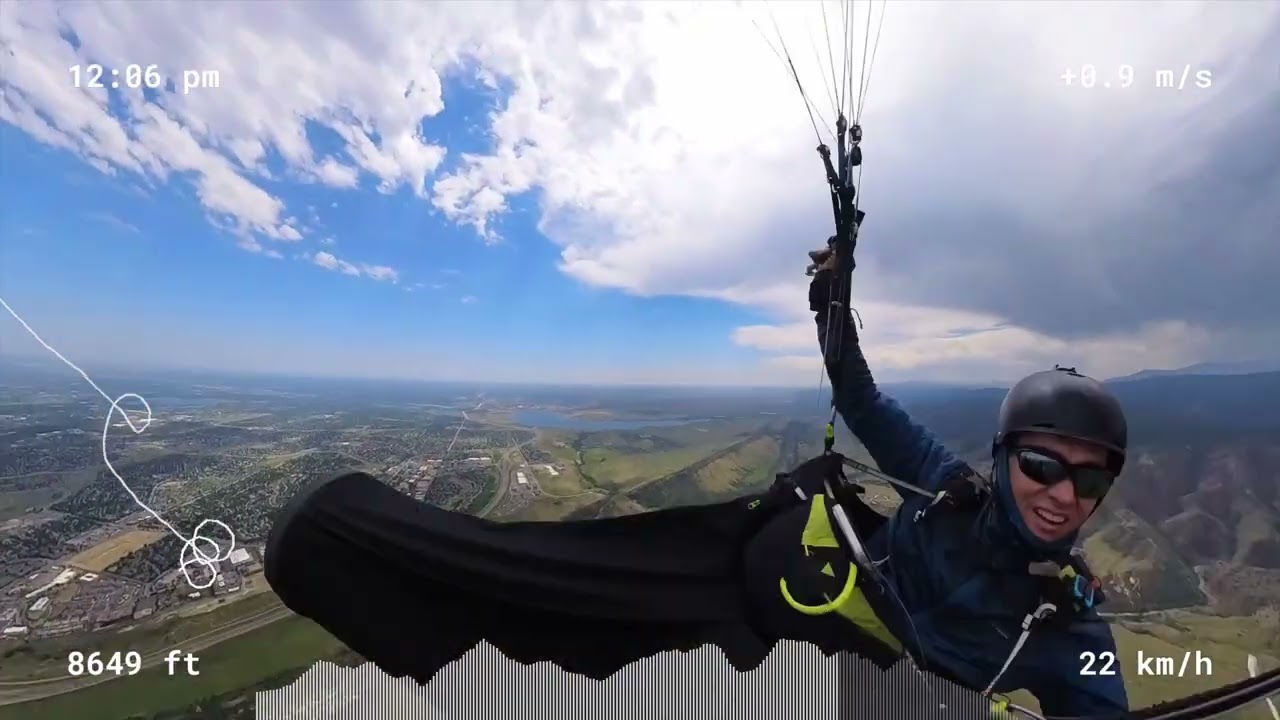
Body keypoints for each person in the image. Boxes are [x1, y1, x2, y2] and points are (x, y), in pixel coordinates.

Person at [800, 245, 1130, 715]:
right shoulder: (945, 486)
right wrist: (830, 300)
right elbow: (861, 402)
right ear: (1002, 458)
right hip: (808, 646)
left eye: (1091, 480)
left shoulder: (1069, 628)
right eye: (1041, 465)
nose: (1064, 494)